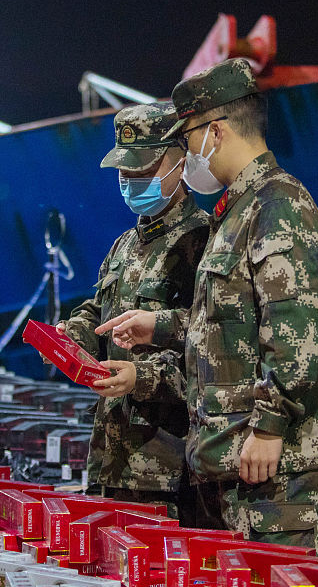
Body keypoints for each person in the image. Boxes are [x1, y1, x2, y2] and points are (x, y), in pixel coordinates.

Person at [96, 59, 318, 553]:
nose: (189, 156)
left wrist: (271, 425)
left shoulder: (279, 205)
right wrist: (160, 327)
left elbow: (299, 331)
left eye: (187, 141)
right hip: (230, 459)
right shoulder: (237, 211)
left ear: (215, 131)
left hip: (276, 467)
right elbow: (227, 322)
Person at [60, 101, 209, 519]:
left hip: (167, 467)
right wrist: (72, 336)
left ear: (179, 162)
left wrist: (139, 378)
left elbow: (216, 355)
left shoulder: (202, 245)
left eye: (142, 170)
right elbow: (99, 313)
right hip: (112, 459)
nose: (130, 182)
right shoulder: (125, 245)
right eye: (124, 173)